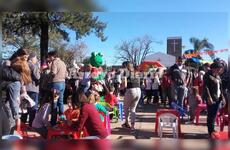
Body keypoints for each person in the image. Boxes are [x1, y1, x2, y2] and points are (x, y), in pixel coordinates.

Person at [2, 48, 32, 134]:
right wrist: (17, 117)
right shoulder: (8, 65)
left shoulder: (13, 68)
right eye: (25, 57)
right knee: (10, 121)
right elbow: (13, 102)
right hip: (5, 100)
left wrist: (23, 92)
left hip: (6, 97)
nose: (26, 60)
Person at [203, 62, 226, 137]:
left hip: (218, 98)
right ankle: (210, 131)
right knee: (211, 115)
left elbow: (220, 88)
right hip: (211, 98)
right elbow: (206, 87)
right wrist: (208, 97)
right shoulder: (207, 75)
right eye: (219, 68)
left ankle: (212, 129)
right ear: (214, 68)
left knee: (214, 115)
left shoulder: (218, 76)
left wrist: (223, 98)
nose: (220, 70)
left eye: (221, 69)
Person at [48, 51, 68, 126]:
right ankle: (62, 120)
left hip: (56, 84)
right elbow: (66, 74)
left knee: (54, 103)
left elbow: (53, 72)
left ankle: (53, 122)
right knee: (61, 102)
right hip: (63, 83)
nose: (49, 58)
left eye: (49, 56)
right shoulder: (63, 63)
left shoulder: (54, 62)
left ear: (53, 56)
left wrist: (49, 74)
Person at [21, 52, 40, 127]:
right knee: (33, 107)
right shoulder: (33, 66)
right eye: (36, 58)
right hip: (33, 88)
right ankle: (31, 124)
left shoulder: (24, 65)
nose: (36, 60)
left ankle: (22, 123)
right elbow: (37, 77)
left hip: (24, 88)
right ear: (33, 58)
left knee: (24, 107)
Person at [122, 62, 141, 132]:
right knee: (133, 109)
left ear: (125, 66)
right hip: (138, 90)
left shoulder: (125, 72)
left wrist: (119, 88)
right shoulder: (136, 72)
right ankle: (132, 127)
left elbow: (125, 84)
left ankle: (126, 123)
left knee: (126, 107)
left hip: (131, 90)